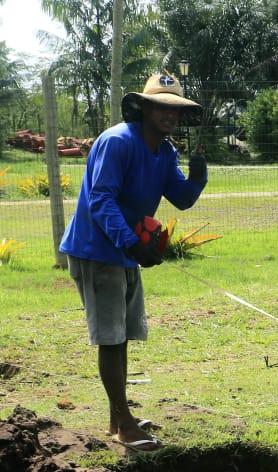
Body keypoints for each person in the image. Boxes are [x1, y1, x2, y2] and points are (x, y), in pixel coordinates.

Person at [60, 72, 207, 452]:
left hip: (125, 250)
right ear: (143, 107)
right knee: (110, 337)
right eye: (161, 106)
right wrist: (131, 243)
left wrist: (199, 176)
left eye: (176, 109)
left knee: (122, 335)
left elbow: (182, 198)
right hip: (97, 248)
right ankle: (123, 423)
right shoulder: (118, 142)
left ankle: (117, 415)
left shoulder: (166, 151)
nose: (169, 115)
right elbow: (100, 199)